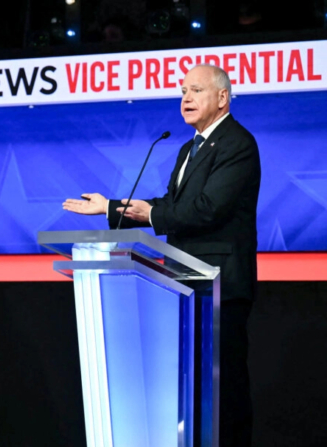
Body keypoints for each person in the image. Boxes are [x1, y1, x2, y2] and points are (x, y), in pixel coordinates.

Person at [63, 64, 260, 446]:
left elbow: (207, 209)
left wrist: (149, 213)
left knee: (225, 391)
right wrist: (110, 208)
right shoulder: (189, 147)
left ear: (222, 98)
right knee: (194, 392)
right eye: (183, 90)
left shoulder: (237, 143)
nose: (185, 98)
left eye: (196, 90)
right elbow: (172, 204)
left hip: (219, 285)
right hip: (184, 283)